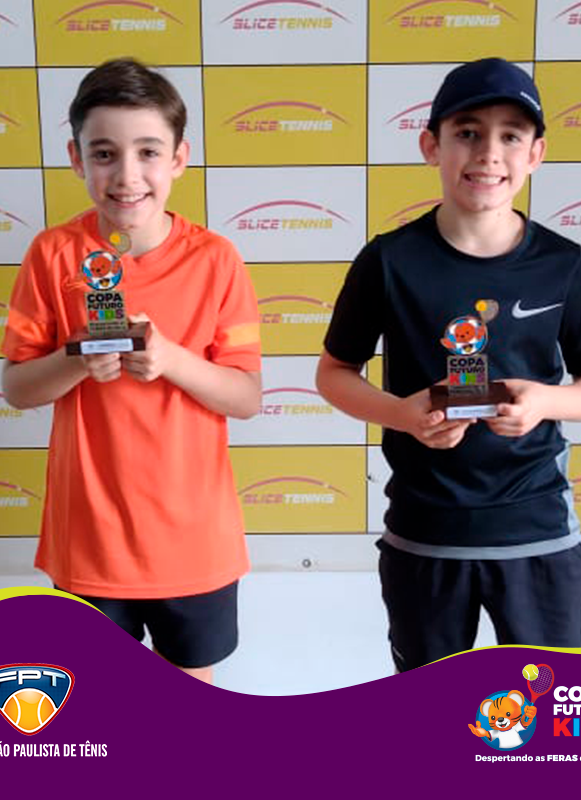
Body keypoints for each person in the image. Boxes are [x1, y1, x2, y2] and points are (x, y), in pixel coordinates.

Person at [316, 58, 581, 672]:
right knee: (427, 710)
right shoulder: (389, 261)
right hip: (425, 531)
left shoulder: (565, 266)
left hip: (536, 530)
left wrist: (543, 402)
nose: (488, 153)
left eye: (510, 135)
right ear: (431, 146)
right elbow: (333, 373)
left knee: (550, 713)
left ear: (535, 154)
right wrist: (403, 415)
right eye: (467, 132)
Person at [1, 58, 261, 684]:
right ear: (76, 158)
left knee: (190, 709)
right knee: (98, 710)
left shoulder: (216, 259)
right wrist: (76, 358)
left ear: (179, 158)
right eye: (104, 153)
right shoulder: (52, 254)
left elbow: (245, 397)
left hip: (194, 542)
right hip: (90, 544)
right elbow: (16, 387)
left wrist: (171, 358)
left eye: (148, 152)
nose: (126, 176)